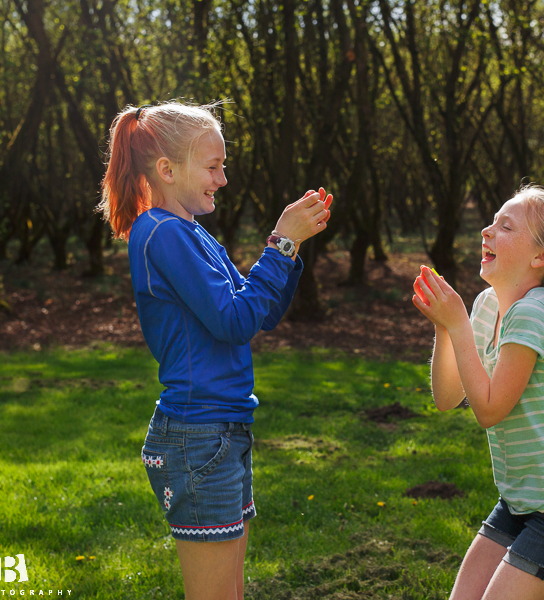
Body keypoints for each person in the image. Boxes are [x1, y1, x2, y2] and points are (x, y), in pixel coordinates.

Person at [98, 101, 333, 600]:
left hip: (222, 432)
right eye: (213, 166)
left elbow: (257, 312)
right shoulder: (161, 233)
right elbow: (233, 321)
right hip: (197, 437)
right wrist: (281, 246)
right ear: (167, 170)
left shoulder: (190, 234)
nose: (222, 179)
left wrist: (286, 247)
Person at [412, 185, 544, 600]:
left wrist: (457, 326)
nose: (487, 230)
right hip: (523, 496)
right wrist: (444, 326)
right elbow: (448, 397)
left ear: (540, 257)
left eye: (505, 226)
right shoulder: (488, 304)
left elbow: (488, 410)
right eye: (492, 221)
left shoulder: (535, 312)